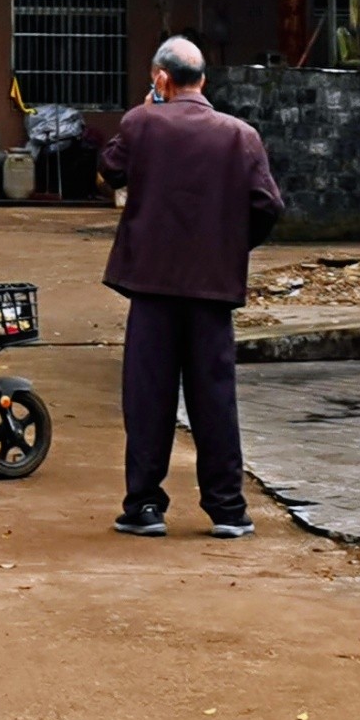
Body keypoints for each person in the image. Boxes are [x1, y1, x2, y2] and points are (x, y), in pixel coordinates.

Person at [97, 36, 286, 537]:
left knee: (148, 398)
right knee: (214, 399)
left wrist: (144, 111)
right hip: (212, 290)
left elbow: (109, 168)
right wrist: (228, 247)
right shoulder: (240, 135)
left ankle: (143, 506)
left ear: (161, 78)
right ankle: (227, 510)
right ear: (203, 79)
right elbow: (268, 206)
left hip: (152, 288)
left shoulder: (141, 124)